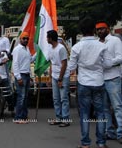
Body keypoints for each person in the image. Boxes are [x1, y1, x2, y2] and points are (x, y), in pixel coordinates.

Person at [68, 18, 113, 148]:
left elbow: (71, 67)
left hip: (83, 82)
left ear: (81, 31)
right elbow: (108, 64)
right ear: (94, 30)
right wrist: (98, 66)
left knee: (85, 113)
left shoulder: (77, 47)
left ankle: (85, 143)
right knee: (101, 113)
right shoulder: (102, 46)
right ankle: (101, 143)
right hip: (99, 82)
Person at [96, 21, 122, 143]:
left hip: (113, 78)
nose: (100, 31)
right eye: (98, 30)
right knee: (105, 108)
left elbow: (120, 57)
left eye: (102, 29)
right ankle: (109, 132)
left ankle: (120, 133)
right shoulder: (96, 43)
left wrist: (107, 64)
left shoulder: (115, 41)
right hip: (100, 80)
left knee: (117, 107)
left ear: (108, 29)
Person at [46, 30, 71, 127]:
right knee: (56, 98)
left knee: (63, 98)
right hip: (54, 76)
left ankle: (65, 119)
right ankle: (58, 118)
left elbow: (64, 64)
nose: (46, 39)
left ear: (51, 38)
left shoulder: (61, 48)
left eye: (47, 37)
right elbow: (52, 63)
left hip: (63, 76)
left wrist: (60, 79)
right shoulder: (50, 48)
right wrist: (49, 77)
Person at [12, 32, 36, 124]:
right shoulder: (17, 49)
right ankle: (18, 118)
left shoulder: (27, 48)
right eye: (24, 38)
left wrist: (38, 54)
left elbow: (30, 60)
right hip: (21, 75)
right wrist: (18, 78)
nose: (26, 40)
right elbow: (15, 64)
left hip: (26, 75)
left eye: (27, 38)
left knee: (25, 97)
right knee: (21, 97)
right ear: (20, 39)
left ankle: (24, 116)